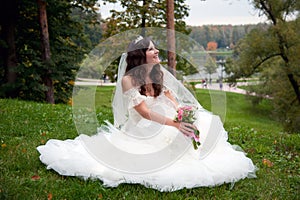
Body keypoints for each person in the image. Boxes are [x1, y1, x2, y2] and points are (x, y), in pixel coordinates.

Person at [37, 36, 256, 192]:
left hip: (167, 117)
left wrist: (181, 112)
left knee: (203, 121)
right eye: (152, 49)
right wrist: (174, 123)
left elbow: (170, 96)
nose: (157, 51)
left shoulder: (158, 72)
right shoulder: (129, 80)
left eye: (155, 48)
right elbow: (143, 113)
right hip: (144, 127)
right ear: (141, 55)